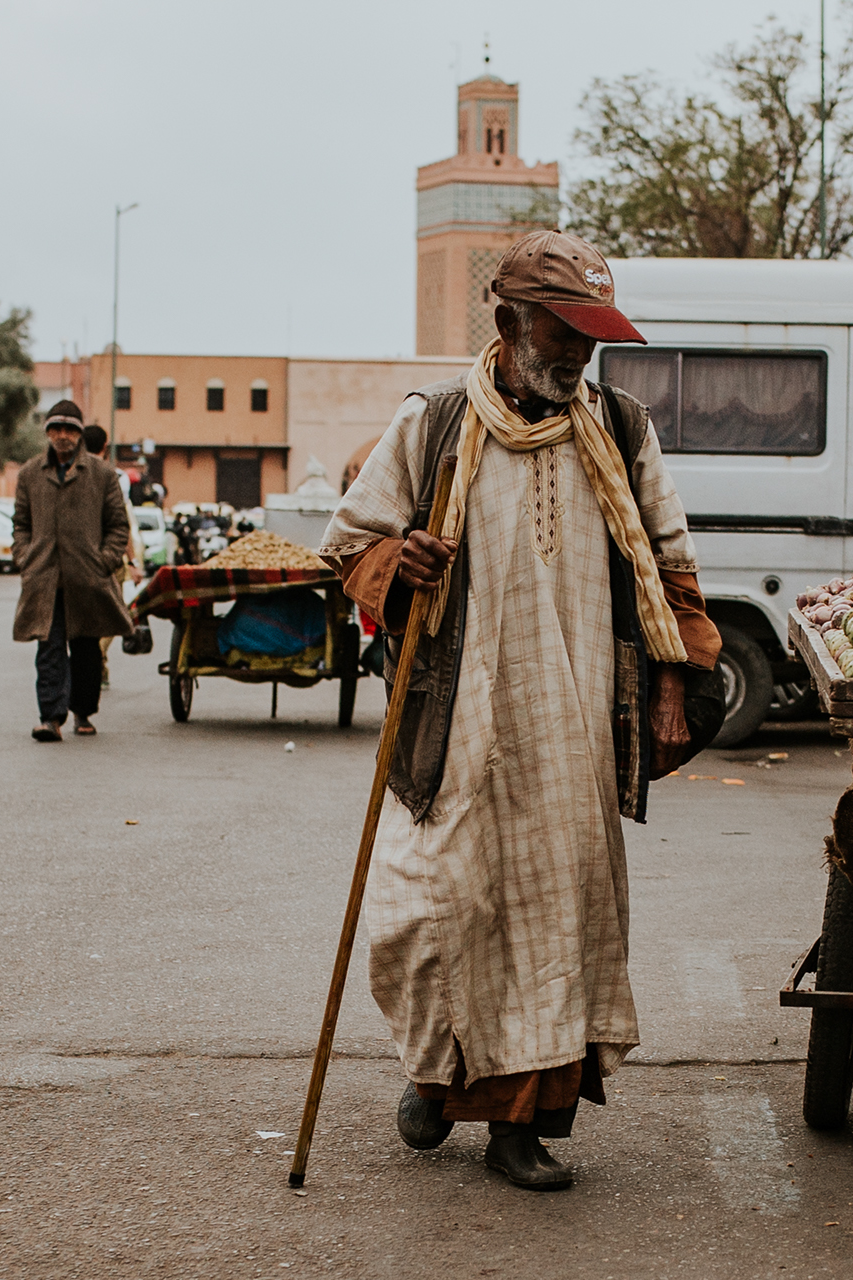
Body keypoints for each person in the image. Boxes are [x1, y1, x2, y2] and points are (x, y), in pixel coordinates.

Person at [319, 229, 722, 1192]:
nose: (580, 351)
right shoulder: (434, 424)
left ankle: (518, 1126)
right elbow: (348, 546)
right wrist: (397, 562)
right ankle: (436, 1074)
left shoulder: (621, 427)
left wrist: (671, 686)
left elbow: (671, 566)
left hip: (576, 728)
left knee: (551, 924)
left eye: (593, 335)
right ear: (508, 322)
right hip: (459, 727)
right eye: (563, 329)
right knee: (426, 919)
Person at [12, 401, 134, 741]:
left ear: (80, 434)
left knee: (85, 650)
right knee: (48, 649)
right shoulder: (30, 474)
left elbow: (117, 526)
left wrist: (104, 561)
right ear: (48, 432)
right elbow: (21, 525)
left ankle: (83, 713)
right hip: (45, 580)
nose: (62, 436)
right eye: (56, 429)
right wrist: (25, 557)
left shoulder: (102, 474)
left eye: (70, 430)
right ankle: (51, 718)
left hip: (88, 579)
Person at [81, 423, 146, 687]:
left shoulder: (68, 474)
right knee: (113, 612)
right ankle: (97, 655)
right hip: (110, 559)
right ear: (105, 448)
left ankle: (96, 659)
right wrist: (131, 560)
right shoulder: (113, 478)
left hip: (80, 558)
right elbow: (122, 524)